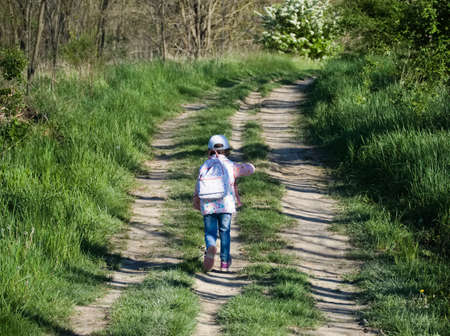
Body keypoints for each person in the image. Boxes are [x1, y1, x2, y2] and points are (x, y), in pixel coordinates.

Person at [193, 134, 255, 272]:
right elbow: (250, 169)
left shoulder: (205, 166)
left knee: (210, 232)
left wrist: (196, 199)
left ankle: (210, 247)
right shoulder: (231, 165)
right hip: (226, 205)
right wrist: (250, 165)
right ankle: (225, 262)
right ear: (227, 151)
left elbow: (198, 185)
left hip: (208, 205)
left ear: (209, 151)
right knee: (225, 232)